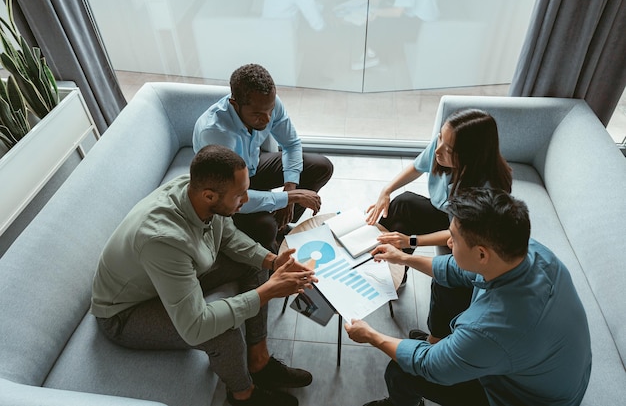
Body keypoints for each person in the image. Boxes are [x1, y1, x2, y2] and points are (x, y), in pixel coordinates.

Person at [91, 145, 318, 406]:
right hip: (126, 312)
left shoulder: (195, 191)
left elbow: (228, 236)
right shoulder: (163, 239)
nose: (246, 200)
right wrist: (268, 291)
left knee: (257, 263)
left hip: (166, 278)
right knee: (223, 330)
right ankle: (243, 395)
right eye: (240, 195)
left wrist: (273, 261)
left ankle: (259, 361)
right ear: (210, 196)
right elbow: (195, 327)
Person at [347, 187, 592, 406]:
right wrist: (404, 257)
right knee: (446, 287)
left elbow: (428, 365)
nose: (448, 242)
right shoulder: (531, 253)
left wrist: (370, 335)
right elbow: (456, 270)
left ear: (482, 254)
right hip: (545, 369)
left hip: (523, 397)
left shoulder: (491, 328)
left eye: (454, 238)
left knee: (401, 370)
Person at [366, 108, 512, 343]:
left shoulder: (487, 190)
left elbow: (458, 233)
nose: (437, 149)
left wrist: (410, 240)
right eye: (440, 138)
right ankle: (385, 264)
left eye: (448, 149)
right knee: (402, 204)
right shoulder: (443, 145)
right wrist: (386, 191)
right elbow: (416, 167)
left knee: (446, 282)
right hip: (447, 214)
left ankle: (435, 339)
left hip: (467, 234)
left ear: (470, 156)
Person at [193, 63, 334, 252]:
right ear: (235, 104)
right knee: (265, 227)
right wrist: (287, 198)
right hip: (228, 192)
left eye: (270, 110)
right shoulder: (216, 133)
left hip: (252, 166)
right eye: (258, 114)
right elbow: (232, 196)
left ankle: (280, 230)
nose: (268, 119)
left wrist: (290, 188)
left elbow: (291, 144)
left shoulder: (270, 104)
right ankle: (270, 240)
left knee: (321, 166)